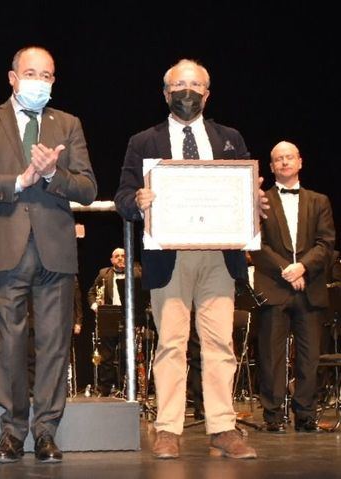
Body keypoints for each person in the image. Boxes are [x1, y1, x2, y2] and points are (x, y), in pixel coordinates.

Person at [114, 59, 262, 459]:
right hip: (169, 255)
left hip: (219, 255)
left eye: (195, 85)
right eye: (179, 85)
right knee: (171, 344)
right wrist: (137, 201)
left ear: (207, 93)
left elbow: (246, 193)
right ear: (165, 93)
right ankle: (167, 430)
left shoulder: (230, 138)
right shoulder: (143, 142)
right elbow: (122, 196)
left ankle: (222, 427)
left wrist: (255, 202)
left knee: (219, 343)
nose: (187, 92)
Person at [0, 46, 97, 463]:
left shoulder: (67, 124)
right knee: (10, 342)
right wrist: (19, 180)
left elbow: (87, 188)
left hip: (55, 247)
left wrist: (53, 174)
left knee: (54, 343)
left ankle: (47, 431)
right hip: (6, 244)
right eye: (31, 72)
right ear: (12, 77)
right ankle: (13, 431)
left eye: (48, 75)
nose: (40, 80)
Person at [251, 141, 335, 433]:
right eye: (278, 159)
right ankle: (273, 415)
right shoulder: (259, 201)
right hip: (275, 286)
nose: (284, 162)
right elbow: (256, 243)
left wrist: (303, 267)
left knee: (310, 356)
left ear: (300, 162)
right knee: (271, 355)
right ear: (271, 166)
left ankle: (306, 414)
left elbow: (326, 243)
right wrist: (286, 269)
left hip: (309, 287)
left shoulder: (319, 201)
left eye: (289, 157)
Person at [87, 248, 140, 396]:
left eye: (123, 256)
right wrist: (95, 306)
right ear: (112, 260)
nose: (120, 258)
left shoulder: (135, 272)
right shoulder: (104, 273)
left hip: (128, 316)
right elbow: (91, 292)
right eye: (117, 256)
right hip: (109, 315)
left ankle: (126, 388)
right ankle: (105, 389)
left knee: (126, 353)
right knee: (106, 355)